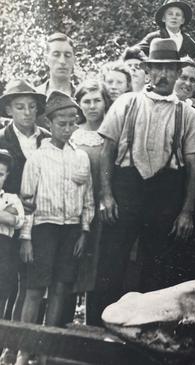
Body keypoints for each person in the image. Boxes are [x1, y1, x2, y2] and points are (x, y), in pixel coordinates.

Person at [94, 39, 195, 319]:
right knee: (111, 262)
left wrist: (186, 212)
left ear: (177, 73)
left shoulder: (188, 114)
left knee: (158, 267)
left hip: (165, 194)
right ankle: (97, 331)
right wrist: (106, 195)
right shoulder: (126, 103)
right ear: (147, 71)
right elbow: (106, 151)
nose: (163, 75)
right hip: (125, 189)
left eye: (169, 69)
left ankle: (146, 334)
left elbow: (194, 168)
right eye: (157, 69)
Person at [16, 91, 93, 365]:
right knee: (36, 288)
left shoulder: (81, 157)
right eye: (62, 123)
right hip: (43, 230)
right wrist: (26, 238)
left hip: (71, 231)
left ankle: (46, 350)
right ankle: (25, 348)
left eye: (73, 122)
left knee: (61, 288)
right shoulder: (37, 158)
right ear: (49, 124)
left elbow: (88, 199)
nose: (68, 128)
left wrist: (84, 231)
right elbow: (27, 203)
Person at [0, 80, 49, 364]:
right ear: (9, 109)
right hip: (9, 221)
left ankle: (22, 345)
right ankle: (5, 342)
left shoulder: (45, 138)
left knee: (32, 283)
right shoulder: (2, 138)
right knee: (8, 281)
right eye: (20, 107)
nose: (27, 112)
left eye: (32, 107)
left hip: (40, 218)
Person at [70, 79, 110, 326]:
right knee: (75, 262)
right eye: (87, 101)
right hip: (77, 207)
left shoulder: (112, 131)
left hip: (105, 207)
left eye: (97, 100)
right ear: (79, 104)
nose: (93, 106)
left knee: (100, 265)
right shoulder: (73, 133)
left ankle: (94, 324)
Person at [0, 150, 24, 330]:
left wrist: (9, 216)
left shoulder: (11, 198)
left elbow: (15, 220)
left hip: (4, 251)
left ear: (7, 176)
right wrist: (4, 213)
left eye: (0, 174)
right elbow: (6, 217)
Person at [137, 0, 195, 65]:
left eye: (178, 15)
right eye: (170, 14)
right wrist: (149, 63)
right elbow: (135, 51)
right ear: (163, 19)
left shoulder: (189, 42)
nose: (174, 17)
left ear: (182, 20)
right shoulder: (154, 37)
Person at [36, 33, 76, 97]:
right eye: (56, 55)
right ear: (46, 59)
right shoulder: (35, 97)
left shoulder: (83, 98)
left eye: (67, 55)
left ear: (74, 60)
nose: (62, 61)